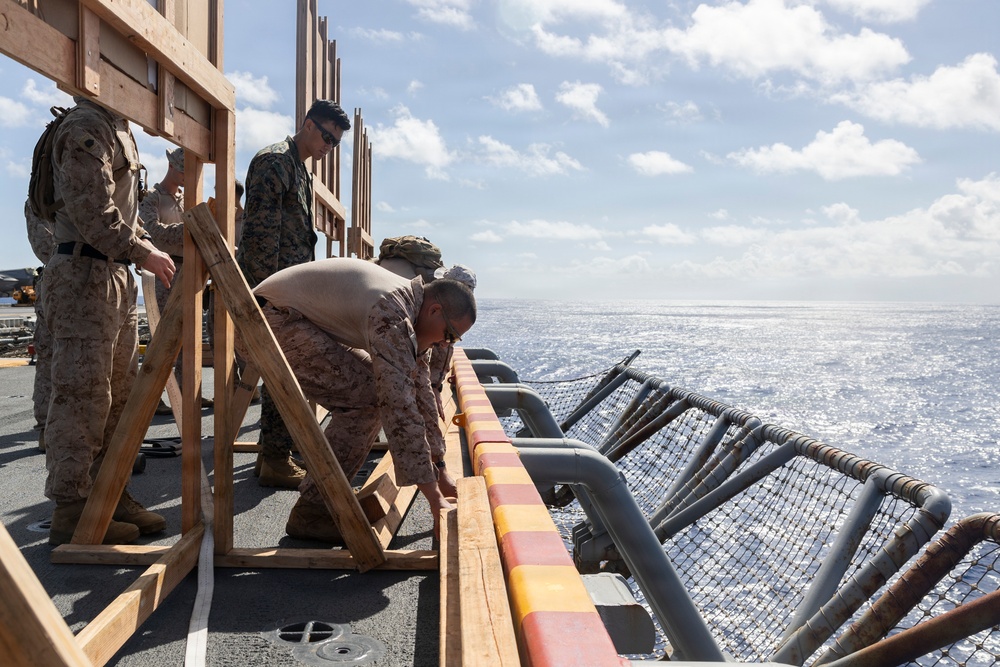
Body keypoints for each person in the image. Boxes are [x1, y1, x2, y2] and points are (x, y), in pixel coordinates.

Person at [240, 257, 476, 543]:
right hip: (264, 322)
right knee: (369, 400)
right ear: (435, 310)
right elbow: (398, 407)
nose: (445, 345)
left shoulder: (411, 309)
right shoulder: (393, 315)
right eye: (450, 335)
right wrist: (435, 499)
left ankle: (324, 499)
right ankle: (314, 511)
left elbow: (420, 391)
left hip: (285, 318)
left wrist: (440, 468)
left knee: (374, 394)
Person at [44, 96, 175, 545]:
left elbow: (128, 218)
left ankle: (109, 495)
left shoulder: (119, 129)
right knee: (83, 396)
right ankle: (73, 508)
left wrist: (156, 245)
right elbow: (92, 212)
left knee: (119, 395)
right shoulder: (87, 124)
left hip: (111, 274)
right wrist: (145, 252)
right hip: (84, 274)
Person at [235, 99, 351, 488]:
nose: (328, 147)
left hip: (290, 293)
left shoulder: (300, 171)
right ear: (307, 124)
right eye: (326, 137)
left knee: (287, 373)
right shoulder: (275, 162)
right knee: (282, 373)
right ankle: (274, 458)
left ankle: (276, 454)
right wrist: (269, 297)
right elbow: (259, 237)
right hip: (275, 292)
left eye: (334, 143)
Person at [24, 199, 54, 452]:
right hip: (56, 284)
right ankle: (46, 427)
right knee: (48, 358)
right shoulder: (38, 198)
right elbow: (44, 246)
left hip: (88, 281)